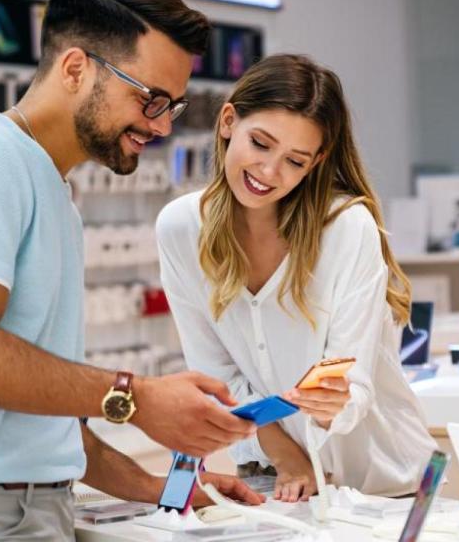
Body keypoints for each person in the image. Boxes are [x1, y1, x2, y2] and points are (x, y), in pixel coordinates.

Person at [0, 0, 261, 540]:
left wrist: (174, 491)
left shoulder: (53, 193)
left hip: (30, 509)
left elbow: (48, 425)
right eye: (148, 98)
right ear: (76, 68)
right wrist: (138, 397)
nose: (158, 124)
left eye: (172, 107)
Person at [156, 54, 437, 501]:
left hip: (380, 485)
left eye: (295, 160)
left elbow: (354, 386)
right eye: (261, 144)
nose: (269, 172)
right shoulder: (180, 229)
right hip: (271, 476)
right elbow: (214, 375)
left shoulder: (346, 227)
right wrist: (285, 454)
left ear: (317, 161)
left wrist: (333, 402)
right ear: (228, 121)